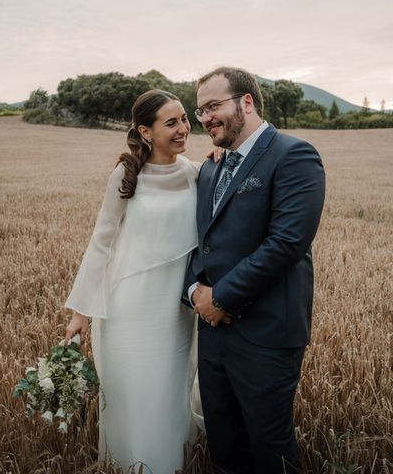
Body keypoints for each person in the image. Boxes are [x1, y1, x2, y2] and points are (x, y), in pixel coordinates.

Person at [184, 67, 326, 474]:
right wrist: (195, 292)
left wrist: (220, 298)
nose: (206, 118)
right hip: (212, 334)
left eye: (214, 106)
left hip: (266, 334)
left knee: (270, 449)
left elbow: (286, 244)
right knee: (224, 447)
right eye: (201, 111)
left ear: (246, 102)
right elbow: (202, 240)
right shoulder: (211, 167)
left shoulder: (294, 154)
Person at [63, 89, 200, 473]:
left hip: (174, 311)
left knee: (169, 391)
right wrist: (81, 312)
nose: (183, 128)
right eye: (171, 122)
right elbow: (101, 244)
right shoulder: (126, 175)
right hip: (128, 308)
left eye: (185, 119)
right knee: (133, 393)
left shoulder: (194, 172)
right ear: (145, 131)